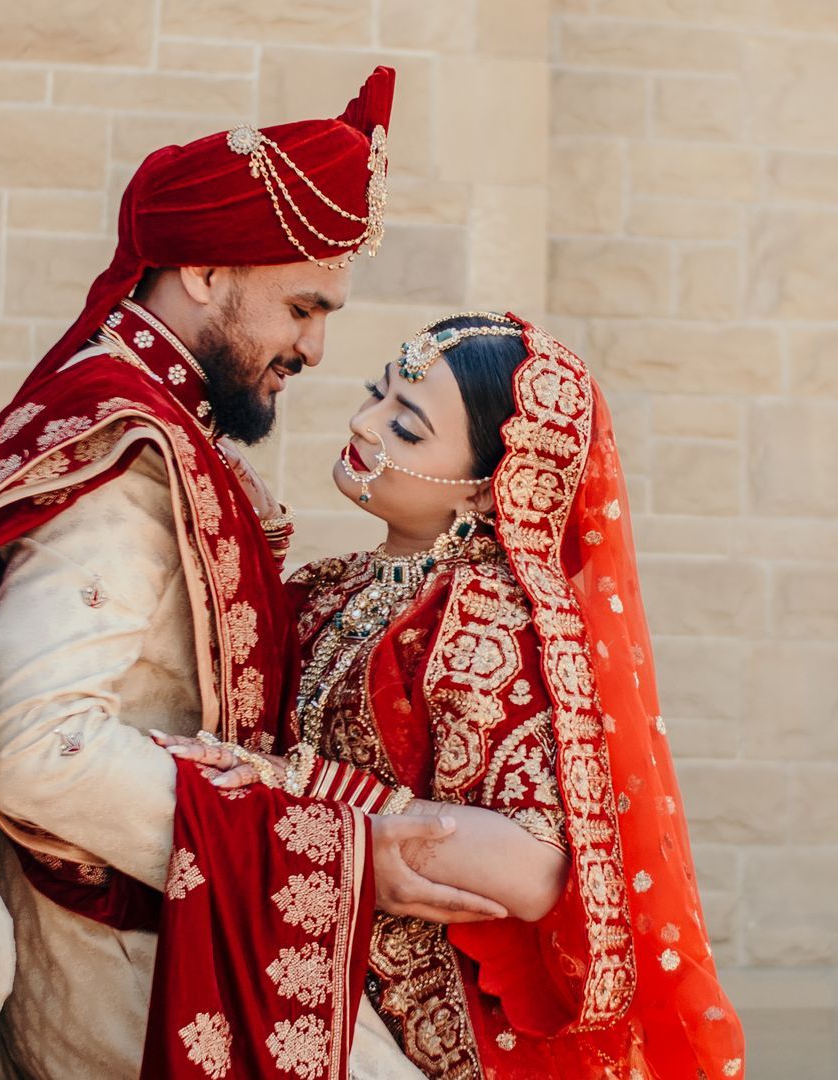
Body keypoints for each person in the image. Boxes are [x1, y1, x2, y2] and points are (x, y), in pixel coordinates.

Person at [0, 69, 532, 1080]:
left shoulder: (169, 428)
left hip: (181, 935)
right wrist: (332, 845)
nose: (314, 347)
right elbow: (39, 750)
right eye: (301, 306)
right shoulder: (128, 450)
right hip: (131, 969)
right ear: (204, 271)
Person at [161, 313, 748, 1078]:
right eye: (378, 393)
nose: (362, 423)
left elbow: (536, 869)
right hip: (311, 984)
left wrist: (312, 794)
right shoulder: (333, 588)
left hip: (439, 1041)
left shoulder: (489, 622)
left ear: (483, 490)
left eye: (405, 427)